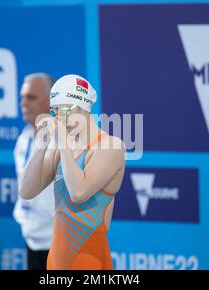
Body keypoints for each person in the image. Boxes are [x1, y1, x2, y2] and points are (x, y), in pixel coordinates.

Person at [19, 74, 126, 270]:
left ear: (83, 108)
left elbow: (79, 192)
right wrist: (41, 146)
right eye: (54, 111)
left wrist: (61, 142)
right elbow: (26, 191)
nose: (59, 118)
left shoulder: (111, 146)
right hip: (56, 259)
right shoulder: (62, 147)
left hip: (88, 259)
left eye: (65, 110)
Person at [13, 73, 56, 270]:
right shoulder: (24, 138)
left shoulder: (66, 142)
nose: (23, 103)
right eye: (22, 97)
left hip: (60, 243)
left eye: (31, 97)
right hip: (32, 240)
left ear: (51, 101)